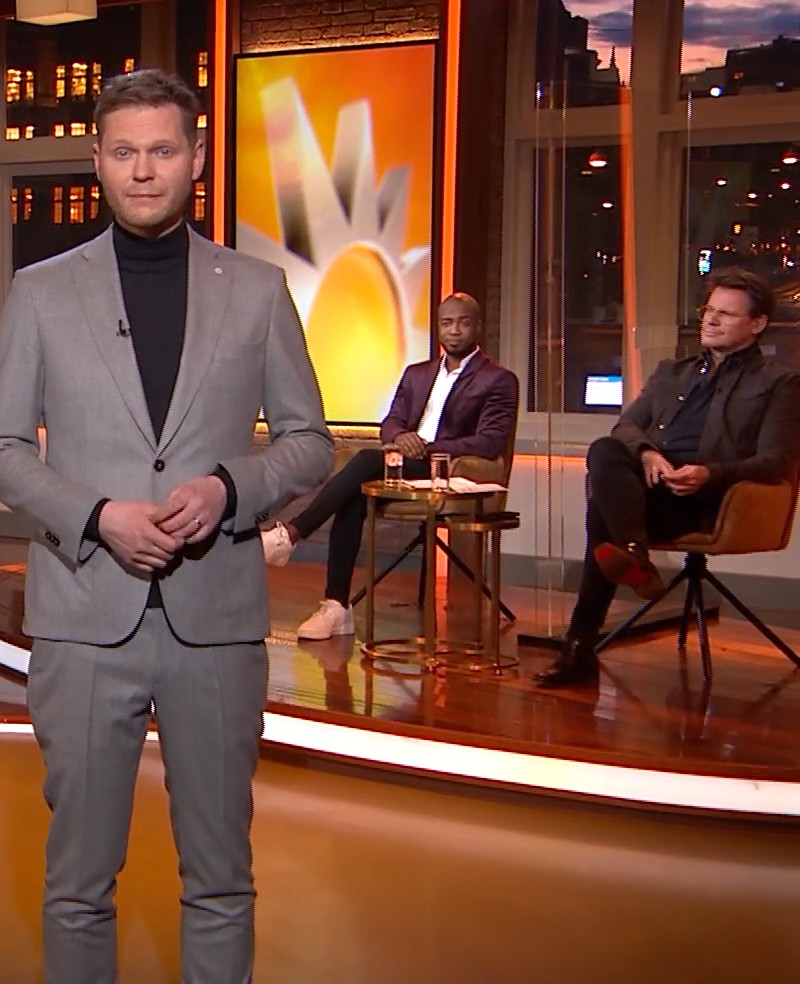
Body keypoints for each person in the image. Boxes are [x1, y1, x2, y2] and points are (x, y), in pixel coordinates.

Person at [0, 69, 333, 984]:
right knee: (78, 884)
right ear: (97, 161)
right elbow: (0, 449)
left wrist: (228, 489)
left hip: (216, 621)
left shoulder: (256, 290)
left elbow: (309, 443)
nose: (143, 170)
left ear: (197, 159)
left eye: (163, 150)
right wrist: (97, 516)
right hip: (84, 620)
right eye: (125, 152)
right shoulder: (43, 291)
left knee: (220, 879)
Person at [535, 269, 800, 689]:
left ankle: (582, 642)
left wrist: (710, 474)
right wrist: (648, 453)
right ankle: (633, 551)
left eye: (726, 314)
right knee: (605, 449)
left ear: (757, 323)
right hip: (650, 493)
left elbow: (777, 462)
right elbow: (626, 426)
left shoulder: (779, 382)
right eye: (708, 310)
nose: (710, 320)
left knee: (603, 513)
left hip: (710, 500)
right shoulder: (671, 372)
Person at [260, 293, 520, 639]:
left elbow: (489, 442)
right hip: (407, 465)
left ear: (478, 327)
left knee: (367, 460)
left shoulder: (498, 380)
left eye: (463, 322)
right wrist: (400, 436)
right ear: (438, 327)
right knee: (354, 494)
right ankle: (336, 607)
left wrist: (424, 447)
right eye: (447, 323)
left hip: (449, 470)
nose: (455, 330)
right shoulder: (417, 374)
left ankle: (292, 534)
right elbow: (392, 422)